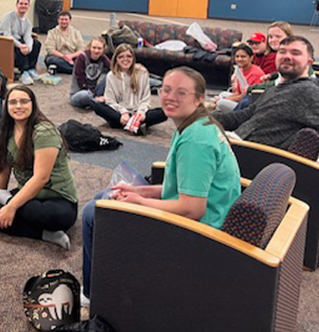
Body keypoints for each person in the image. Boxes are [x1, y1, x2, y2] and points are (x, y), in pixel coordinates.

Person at [80, 66, 241, 307]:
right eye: (166, 90)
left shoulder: (196, 141)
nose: (170, 97)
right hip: (196, 217)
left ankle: (94, 293)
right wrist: (138, 191)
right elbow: (177, 187)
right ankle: (106, 275)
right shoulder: (192, 124)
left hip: (199, 233)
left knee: (93, 214)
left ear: (198, 99)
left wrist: (140, 202)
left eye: (181, 92)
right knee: (106, 196)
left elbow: (192, 209)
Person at [214, 35, 319, 216]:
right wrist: (202, 116)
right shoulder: (279, 88)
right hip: (241, 148)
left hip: (250, 157)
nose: (287, 56)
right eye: (282, 52)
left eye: (295, 53)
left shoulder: (308, 91)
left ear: (309, 62)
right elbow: (244, 116)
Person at [0, 86, 78, 249]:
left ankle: (6, 199)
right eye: (13, 102)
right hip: (30, 196)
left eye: (24, 101)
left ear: (33, 104)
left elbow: (41, 178)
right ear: (6, 106)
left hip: (58, 200)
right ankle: (47, 235)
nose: (18, 106)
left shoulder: (44, 132)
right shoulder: (8, 130)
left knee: (51, 217)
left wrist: (11, 206)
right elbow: (3, 167)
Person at [92, 44, 166, 134]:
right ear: (117, 60)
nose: (125, 59)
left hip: (138, 112)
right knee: (98, 106)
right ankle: (134, 125)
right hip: (119, 113)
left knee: (164, 112)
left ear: (133, 59)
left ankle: (126, 123)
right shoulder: (111, 76)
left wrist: (140, 113)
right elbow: (110, 101)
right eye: (121, 57)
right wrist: (123, 112)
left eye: (129, 56)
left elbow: (145, 98)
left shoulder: (142, 73)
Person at [0, 0, 41, 78]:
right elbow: (7, 35)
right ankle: (24, 71)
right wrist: (20, 45)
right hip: (3, 41)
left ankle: (30, 69)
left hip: (17, 40)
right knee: (20, 46)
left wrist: (29, 47)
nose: (23, 6)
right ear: (16, 5)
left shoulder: (28, 22)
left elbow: (28, 36)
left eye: (25, 4)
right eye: (21, 4)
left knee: (36, 44)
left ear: (28, 6)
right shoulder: (8, 17)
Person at [214, 44, 265, 112]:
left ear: (251, 58)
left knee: (221, 103)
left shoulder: (256, 73)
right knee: (222, 94)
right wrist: (225, 98)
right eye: (237, 56)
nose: (239, 59)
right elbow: (238, 92)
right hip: (242, 99)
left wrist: (224, 100)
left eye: (243, 57)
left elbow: (245, 97)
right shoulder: (240, 70)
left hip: (248, 106)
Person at [70, 37, 111, 110]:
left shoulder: (103, 58)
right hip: (79, 93)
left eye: (99, 48)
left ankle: (96, 101)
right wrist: (92, 95)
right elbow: (80, 79)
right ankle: (97, 101)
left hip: (94, 92)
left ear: (103, 50)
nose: (96, 51)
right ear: (90, 47)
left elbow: (114, 69)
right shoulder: (82, 57)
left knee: (110, 75)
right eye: (94, 48)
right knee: (85, 95)